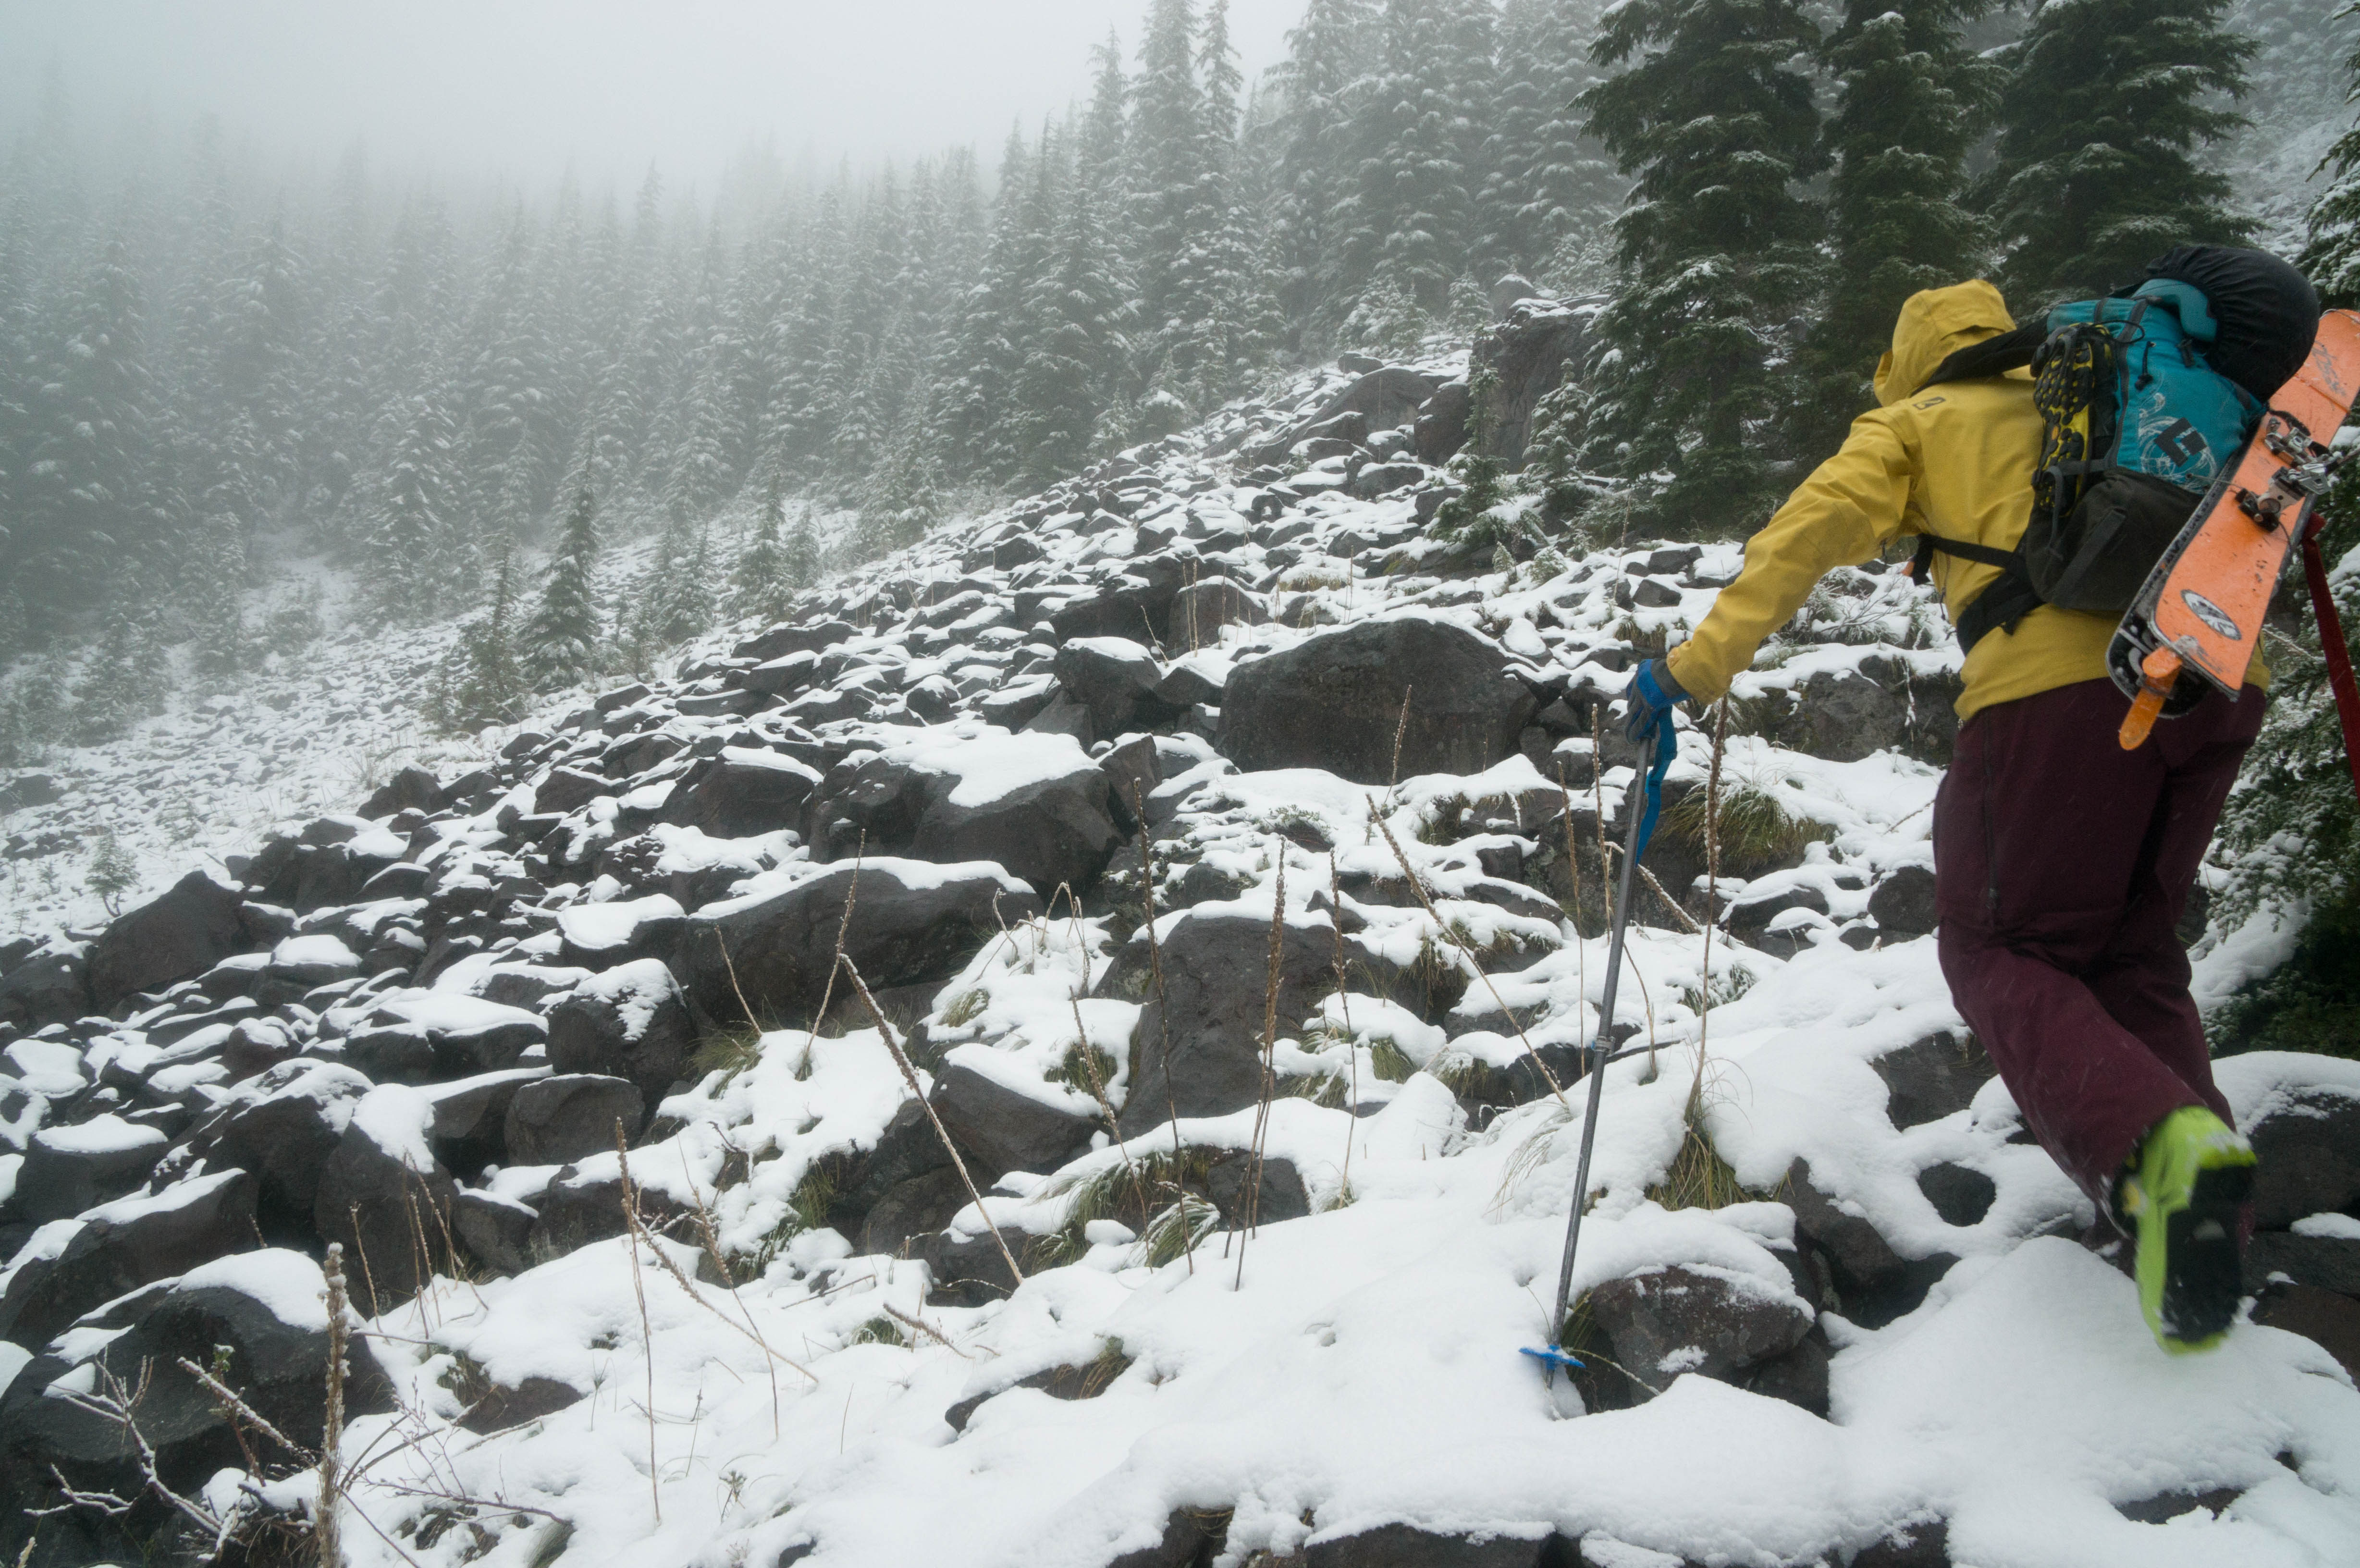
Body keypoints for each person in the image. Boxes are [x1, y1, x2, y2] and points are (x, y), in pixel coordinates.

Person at [1619, 249, 2323, 1354]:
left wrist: (1687, 672)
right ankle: (2202, 1242)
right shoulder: (2100, 383)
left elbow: (1801, 536)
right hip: (2212, 683)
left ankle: (2152, 1157)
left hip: (2055, 702)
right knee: (2127, 956)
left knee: (1997, 948)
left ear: (1901, 363)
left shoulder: (1918, 419)